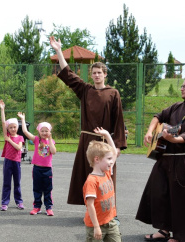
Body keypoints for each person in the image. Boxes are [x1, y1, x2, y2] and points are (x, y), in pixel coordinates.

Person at [49, 36, 127, 205]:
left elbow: (119, 120)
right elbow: (67, 73)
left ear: (105, 74)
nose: (97, 75)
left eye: (100, 72)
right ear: (91, 75)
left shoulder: (113, 93)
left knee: (107, 175)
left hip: (105, 141)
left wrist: (118, 145)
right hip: (87, 141)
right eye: (94, 73)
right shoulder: (85, 90)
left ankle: (109, 210)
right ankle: (91, 208)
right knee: (88, 175)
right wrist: (58, 51)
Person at [135, 75, 185, 242]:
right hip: (164, 159)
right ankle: (164, 229)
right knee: (159, 194)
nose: (181, 88)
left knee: (181, 198)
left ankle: (181, 234)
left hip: (182, 161)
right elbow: (158, 117)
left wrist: (173, 139)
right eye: (182, 86)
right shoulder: (177, 107)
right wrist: (149, 132)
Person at [76, 127, 131, 242]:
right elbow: (90, 205)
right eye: (108, 159)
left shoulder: (107, 172)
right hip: (95, 225)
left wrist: (107, 135)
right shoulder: (92, 180)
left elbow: (114, 152)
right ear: (97, 159)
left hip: (111, 222)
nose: (111, 161)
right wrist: (97, 227)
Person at [19, 115, 56, 216]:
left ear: (49, 132)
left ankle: (49, 208)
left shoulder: (51, 141)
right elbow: (25, 132)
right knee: (37, 189)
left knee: (48, 190)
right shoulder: (36, 140)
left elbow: (53, 151)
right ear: (39, 131)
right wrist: (22, 120)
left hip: (47, 169)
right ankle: (37, 207)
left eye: (46, 131)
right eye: (42, 131)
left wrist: (50, 138)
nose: (44, 133)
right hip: (37, 169)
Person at [0, 100, 24, 211]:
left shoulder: (20, 138)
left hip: (17, 162)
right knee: (7, 183)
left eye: (14, 127)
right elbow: (3, 123)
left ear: (17, 127)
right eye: (11, 127)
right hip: (8, 161)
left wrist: (10, 140)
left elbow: (19, 148)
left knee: (17, 183)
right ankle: (4, 203)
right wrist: (2, 109)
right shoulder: (6, 135)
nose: (13, 129)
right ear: (8, 129)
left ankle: (19, 202)